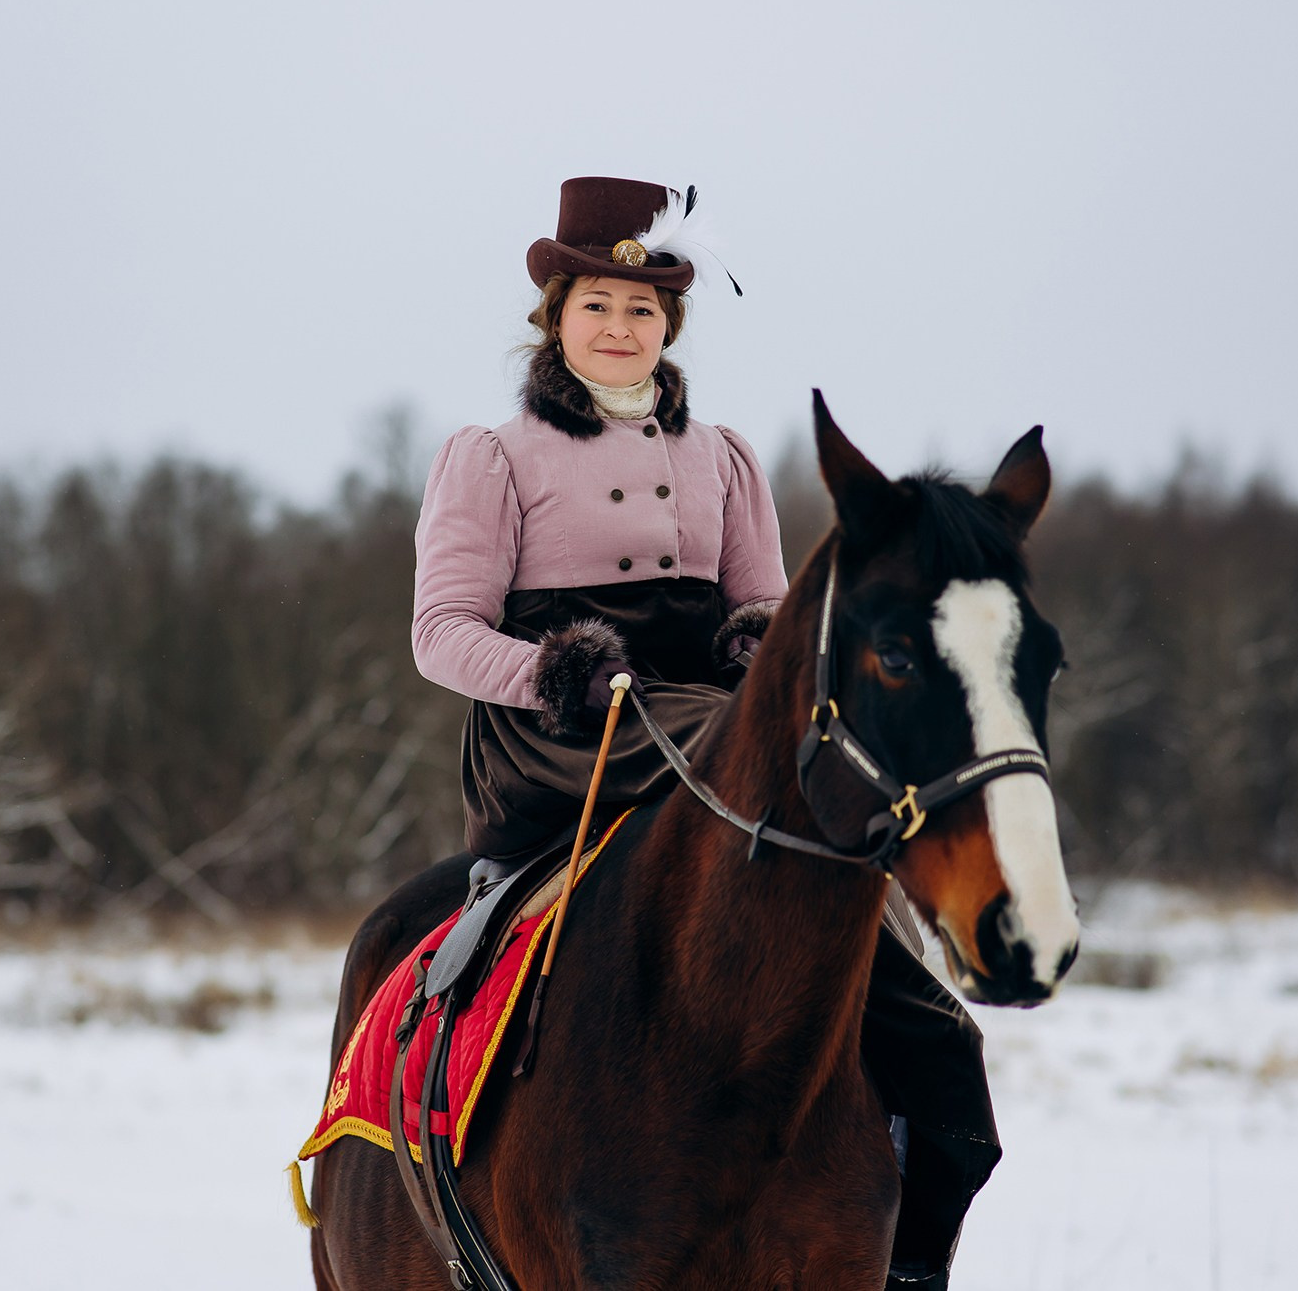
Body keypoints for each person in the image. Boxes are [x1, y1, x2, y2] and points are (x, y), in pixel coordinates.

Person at [410, 176, 998, 1290]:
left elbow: (766, 617)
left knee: (821, 797)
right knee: (737, 745)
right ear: (555, 316)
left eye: (642, 309)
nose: (619, 328)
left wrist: (756, 654)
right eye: (596, 305)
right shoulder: (487, 455)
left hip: (708, 717)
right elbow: (439, 633)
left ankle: (913, 1208)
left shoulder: (723, 455)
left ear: (669, 323)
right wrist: (564, 672)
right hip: (565, 725)